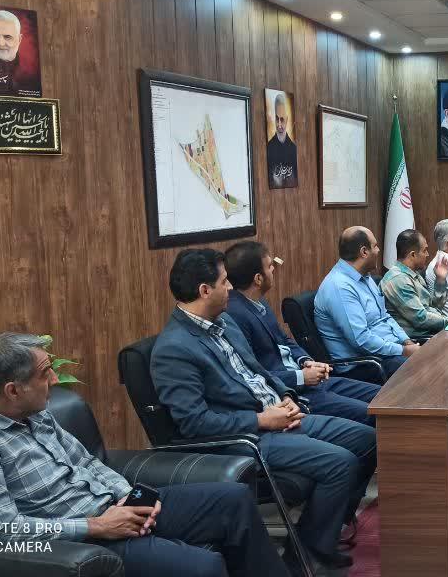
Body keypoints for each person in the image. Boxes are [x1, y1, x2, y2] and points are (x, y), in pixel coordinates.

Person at [0, 333, 290, 577]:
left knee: (232, 500)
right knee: (203, 567)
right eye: (45, 374)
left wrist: (126, 496)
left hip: (113, 508)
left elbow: (87, 461)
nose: (55, 380)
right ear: (13, 390)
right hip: (81, 540)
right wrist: (98, 526)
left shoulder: (34, 414)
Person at [151, 249, 376, 570]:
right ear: (205, 290)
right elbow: (194, 423)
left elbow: (259, 371)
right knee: (341, 463)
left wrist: (285, 394)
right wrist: (262, 419)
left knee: (368, 439)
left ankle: (319, 532)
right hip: (248, 436)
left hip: (280, 413)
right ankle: (306, 553)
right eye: (224, 282)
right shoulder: (173, 349)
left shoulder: (224, 322)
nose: (231, 288)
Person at [223, 241, 380, 426]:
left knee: (383, 397)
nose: (273, 269)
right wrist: (301, 377)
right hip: (293, 394)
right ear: (258, 279)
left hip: (312, 380)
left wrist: (305, 361)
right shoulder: (235, 315)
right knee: (376, 414)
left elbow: (284, 340)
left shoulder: (258, 301)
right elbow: (254, 374)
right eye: (270, 266)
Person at [315, 226, 419, 379]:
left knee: (433, 360)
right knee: (425, 371)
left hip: (387, 352)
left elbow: (384, 316)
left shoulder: (365, 277)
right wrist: (402, 350)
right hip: (364, 364)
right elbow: (361, 341)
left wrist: (406, 341)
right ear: (364, 252)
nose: (378, 250)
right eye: (375, 246)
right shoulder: (340, 287)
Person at [381, 229, 448, 341]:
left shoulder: (414, 275)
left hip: (430, 334)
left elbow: (435, 307)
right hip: (417, 341)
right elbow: (421, 319)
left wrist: (440, 279)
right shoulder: (398, 280)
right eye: (425, 250)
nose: (427, 254)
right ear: (413, 255)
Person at [266, 93, 298, 188]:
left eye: (282, 119)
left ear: (287, 119)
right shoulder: (269, 148)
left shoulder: (293, 149)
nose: (279, 124)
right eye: (277, 119)